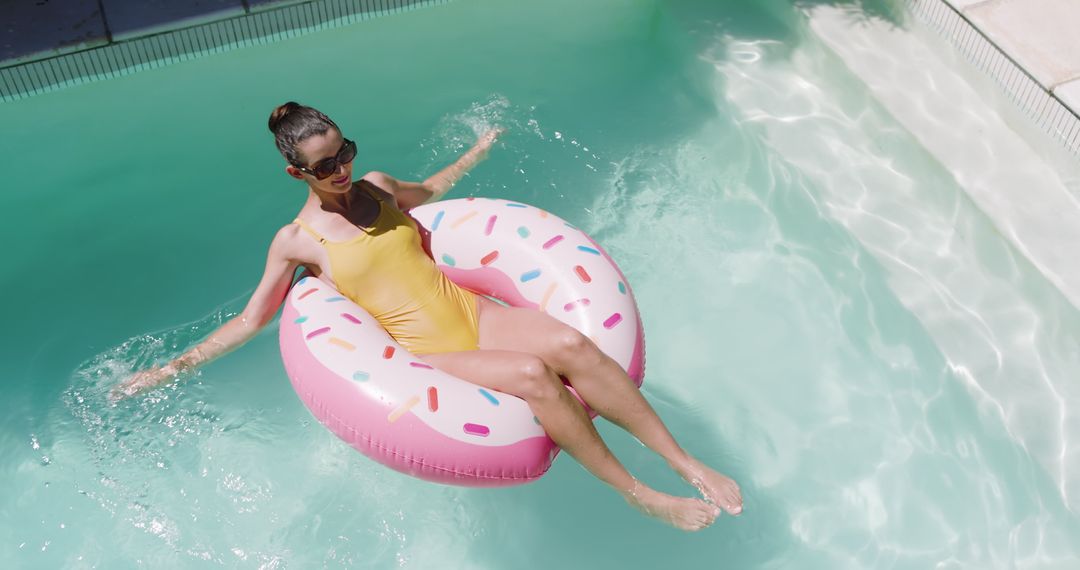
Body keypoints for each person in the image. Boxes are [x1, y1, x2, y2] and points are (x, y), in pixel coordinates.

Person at [111, 102, 743, 531]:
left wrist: (476, 151)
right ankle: (640, 495)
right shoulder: (299, 241)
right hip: (432, 352)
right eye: (325, 166)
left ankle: (683, 461)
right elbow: (252, 319)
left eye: (344, 152)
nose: (341, 170)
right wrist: (170, 369)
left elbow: (433, 190)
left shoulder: (378, 186)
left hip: (475, 312)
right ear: (295, 172)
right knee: (532, 374)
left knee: (572, 345)